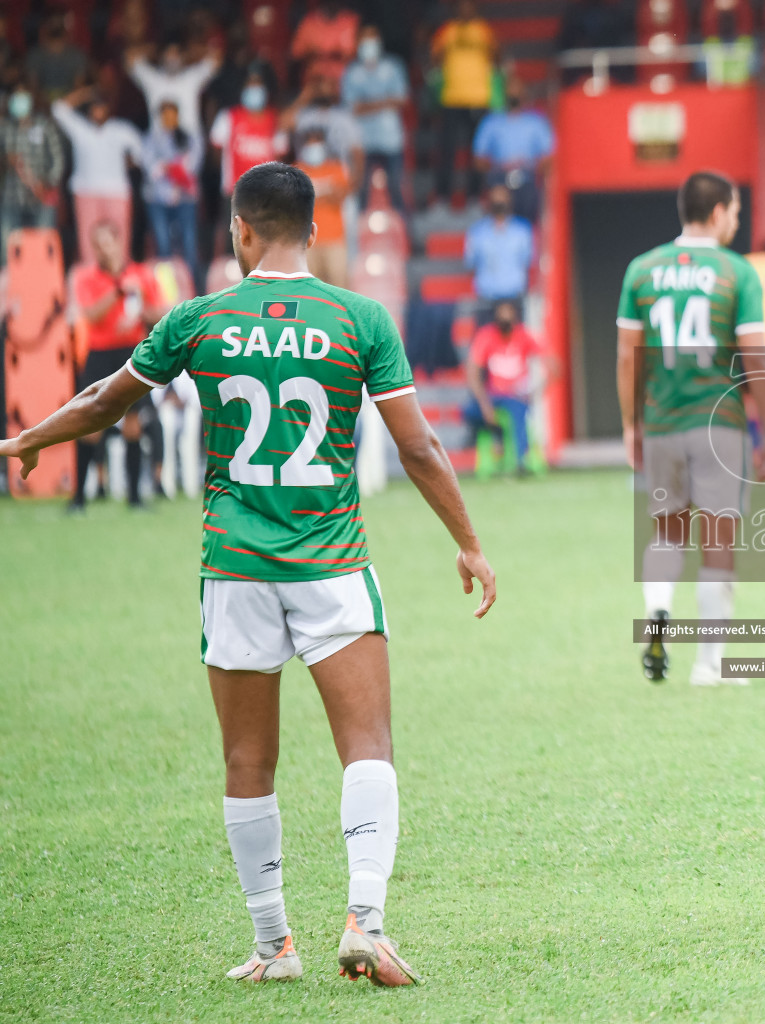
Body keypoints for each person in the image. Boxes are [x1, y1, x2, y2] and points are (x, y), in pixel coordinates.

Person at [0, 160, 497, 986]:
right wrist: (469, 543)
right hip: (331, 563)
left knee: (245, 761)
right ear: (312, 232)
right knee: (367, 746)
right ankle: (365, 924)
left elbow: (104, 399)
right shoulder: (358, 318)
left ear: (238, 230)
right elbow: (418, 446)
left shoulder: (199, 319)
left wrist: (28, 441)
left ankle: (274, 946)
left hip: (234, 566)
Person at [616, 171, 765, 688]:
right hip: (719, 423)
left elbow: (626, 356)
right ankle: (710, 663)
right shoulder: (736, 271)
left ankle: (659, 610)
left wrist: (630, 424)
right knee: (718, 538)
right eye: (734, 211)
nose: (736, 220)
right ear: (717, 213)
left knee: (667, 530)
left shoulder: (640, 270)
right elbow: (753, 353)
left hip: (662, 420)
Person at [68, 220, 168, 511]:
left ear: (118, 242)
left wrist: (139, 313)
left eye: (106, 242)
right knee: (90, 425)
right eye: (96, 244)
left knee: (134, 424)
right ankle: (79, 498)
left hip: (132, 352)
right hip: (99, 354)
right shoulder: (85, 277)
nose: (102, 249)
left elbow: (161, 310)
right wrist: (118, 290)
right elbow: (91, 314)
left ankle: (134, 497)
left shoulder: (141, 274)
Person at [51, 86, 141, 262]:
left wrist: (128, 162)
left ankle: (119, 277)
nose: (98, 112)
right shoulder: (80, 129)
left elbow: (140, 154)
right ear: (89, 111)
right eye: (94, 108)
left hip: (116, 191)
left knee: (120, 237)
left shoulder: (122, 129)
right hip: (86, 191)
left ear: (108, 109)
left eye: (101, 107)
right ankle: (91, 275)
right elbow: (58, 109)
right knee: (88, 238)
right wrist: (83, 93)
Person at [209, 69, 288, 256]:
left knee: (264, 244)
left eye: (258, 86)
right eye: (250, 86)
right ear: (243, 90)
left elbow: (281, 155)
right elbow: (215, 151)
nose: (254, 91)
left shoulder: (275, 119)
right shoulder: (229, 116)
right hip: (235, 191)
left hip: (266, 194)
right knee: (235, 244)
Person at [463, 298, 542, 475]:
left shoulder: (524, 335)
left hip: (514, 396)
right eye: (502, 313)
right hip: (492, 395)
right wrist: (485, 405)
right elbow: (473, 373)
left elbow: (553, 364)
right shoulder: (486, 336)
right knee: (468, 412)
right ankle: (495, 435)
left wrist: (536, 391)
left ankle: (520, 461)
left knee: (519, 410)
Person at [430, 0, 497, 207]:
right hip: (451, 97)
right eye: (461, 5)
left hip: (478, 97)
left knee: (475, 151)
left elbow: (497, 56)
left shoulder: (484, 31)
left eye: (469, 5)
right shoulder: (446, 31)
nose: (465, 9)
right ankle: (442, 196)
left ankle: (475, 196)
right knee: (447, 150)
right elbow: (435, 59)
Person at [341, 25, 409, 213]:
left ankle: (407, 235)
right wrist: (385, 101)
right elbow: (352, 108)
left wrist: (367, 104)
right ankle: (358, 238)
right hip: (362, 142)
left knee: (397, 190)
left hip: (391, 139)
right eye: (365, 40)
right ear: (358, 44)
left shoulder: (394, 66)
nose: (369, 44)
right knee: (360, 194)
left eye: (372, 39)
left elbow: (401, 99)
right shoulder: (351, 72)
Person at [472, 74, 554, 223]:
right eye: (510, 89)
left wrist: (532, 167)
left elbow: (549, 156)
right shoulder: (491, 121)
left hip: (528, 176)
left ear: (524, 93)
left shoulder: (536, 121)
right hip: (499, 177)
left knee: (529, 203)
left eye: (517, 89)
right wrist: (498, 167)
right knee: (498, 197)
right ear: (504, 93)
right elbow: (479, 158)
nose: (513, 93)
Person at [143, 100, 205, 288]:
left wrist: (167, 167)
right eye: (165, 114)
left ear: (178, 115)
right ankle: (167, 290)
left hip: (185, 199)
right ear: (160, 117)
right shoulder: (151, 139)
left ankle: (192, 291)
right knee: (163, 245)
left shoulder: (190, 137)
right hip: (158, 199)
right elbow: (151, 170)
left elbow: (191, 167)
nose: (169, 118)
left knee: (188, 245)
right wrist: (173, 167)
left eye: (172, 114)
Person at [0, 87, 66, 259]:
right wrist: (6, 160)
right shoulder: (5, 127)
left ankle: (41, 280)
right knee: (8, 246)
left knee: (43, 244)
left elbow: (58, 159)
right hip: (12, 196)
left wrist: (47, 183)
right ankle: (9, 281)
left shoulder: (44, 126)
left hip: (40, 196)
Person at [464, 184, 534, 318]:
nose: (499, 204)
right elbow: (470, 263)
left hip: (514, 297)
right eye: (496, 200)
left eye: (502, 200)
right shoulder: (477, 232)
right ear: (489, 202)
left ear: (510, 202)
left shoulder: (522, 230)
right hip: (487, 298)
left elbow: (527, 260)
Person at [129, 38, 219, 140]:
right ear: (162, 57)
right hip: (159, 147)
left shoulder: (192, 77)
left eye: (176, 54)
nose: (172, 59)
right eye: (169, 54)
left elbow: (216, 58)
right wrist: (154, 49)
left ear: (182, 57)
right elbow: (129, 57)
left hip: (190, 146)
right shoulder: (153, 79)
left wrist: (189, 51)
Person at [296, 127, 351, 285]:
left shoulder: (336, 168)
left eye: (317, 144)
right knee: (309, 291)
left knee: (339, 288)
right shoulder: (296, 171)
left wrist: (311, 196)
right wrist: (326, 193)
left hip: (334, 240)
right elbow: (295, 202)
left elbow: (340, 195)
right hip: (306, 241)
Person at [291, 0, 361, 88]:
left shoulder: (351, 20)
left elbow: (361, 52)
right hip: (315, 82)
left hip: (346, 83)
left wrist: (337, 53)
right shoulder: (309, 22)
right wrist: (313, 53)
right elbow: (296, 53)